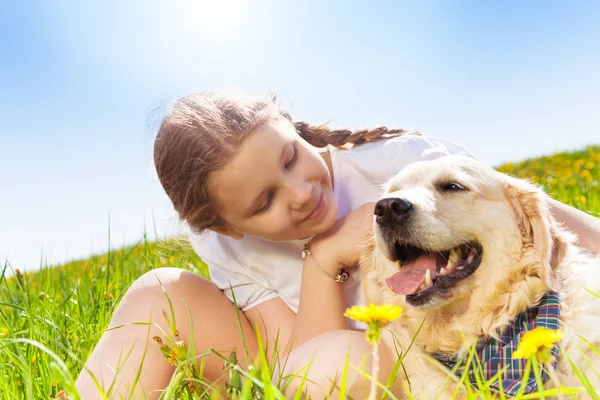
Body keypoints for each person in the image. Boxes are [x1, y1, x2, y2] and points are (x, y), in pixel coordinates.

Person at [75, 90, 600, 399]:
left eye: (289, 159)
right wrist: (324, 258)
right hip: (309, 348)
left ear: (296, 129)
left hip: (406, 346)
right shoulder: (226, 247)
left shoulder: (396, 163)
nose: (301, 194)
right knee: (159, 293)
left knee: (343, 360)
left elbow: (529, 214)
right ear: (227, 229)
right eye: (264, 204)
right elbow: (299, 365)